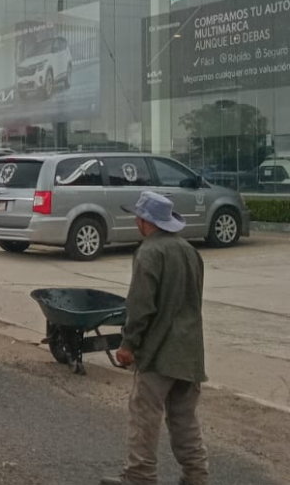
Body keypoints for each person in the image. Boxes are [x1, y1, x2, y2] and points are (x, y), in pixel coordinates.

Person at [102, 191, 208, 485]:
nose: (136, 221)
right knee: (185, 421)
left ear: (145, 221)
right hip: (189, 353)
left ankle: (140, 478)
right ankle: (197, 477)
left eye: (138, 216)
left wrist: (128, 344)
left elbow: (140, 307)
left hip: (159, 353)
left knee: (144, 419)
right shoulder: (190, 251)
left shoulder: (149, 252)